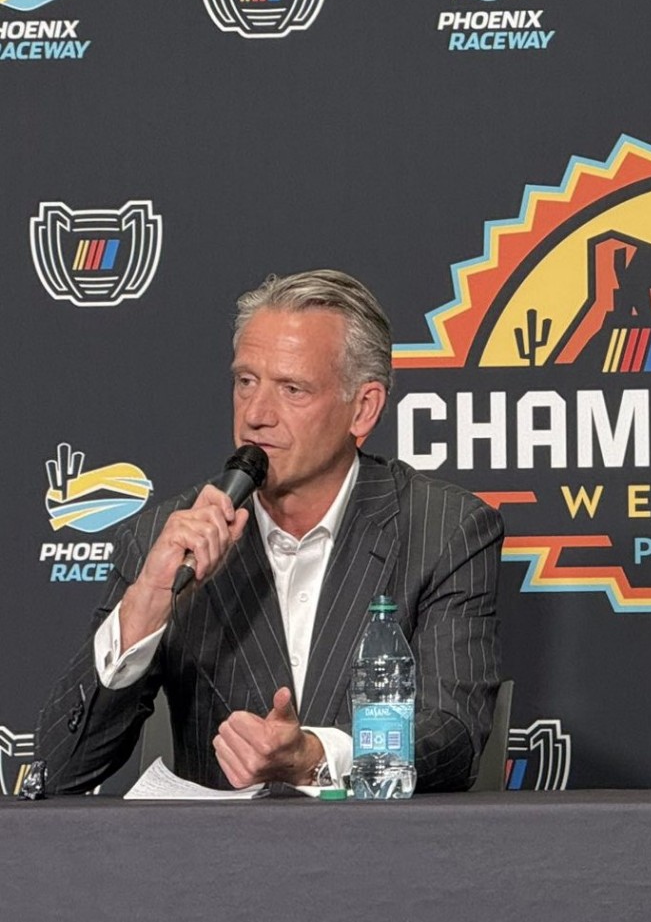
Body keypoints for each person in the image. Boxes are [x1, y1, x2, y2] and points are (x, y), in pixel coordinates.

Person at [35, 270, 505, 792]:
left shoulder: (444, 530)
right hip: (217, 867)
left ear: (364, 408)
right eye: (246, 382)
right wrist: (146, 603)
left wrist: (315, 755)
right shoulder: (163, 540)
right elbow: (59, 773)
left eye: (292, 389)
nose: (256, 415)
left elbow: (455, 739)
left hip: (382, 863)